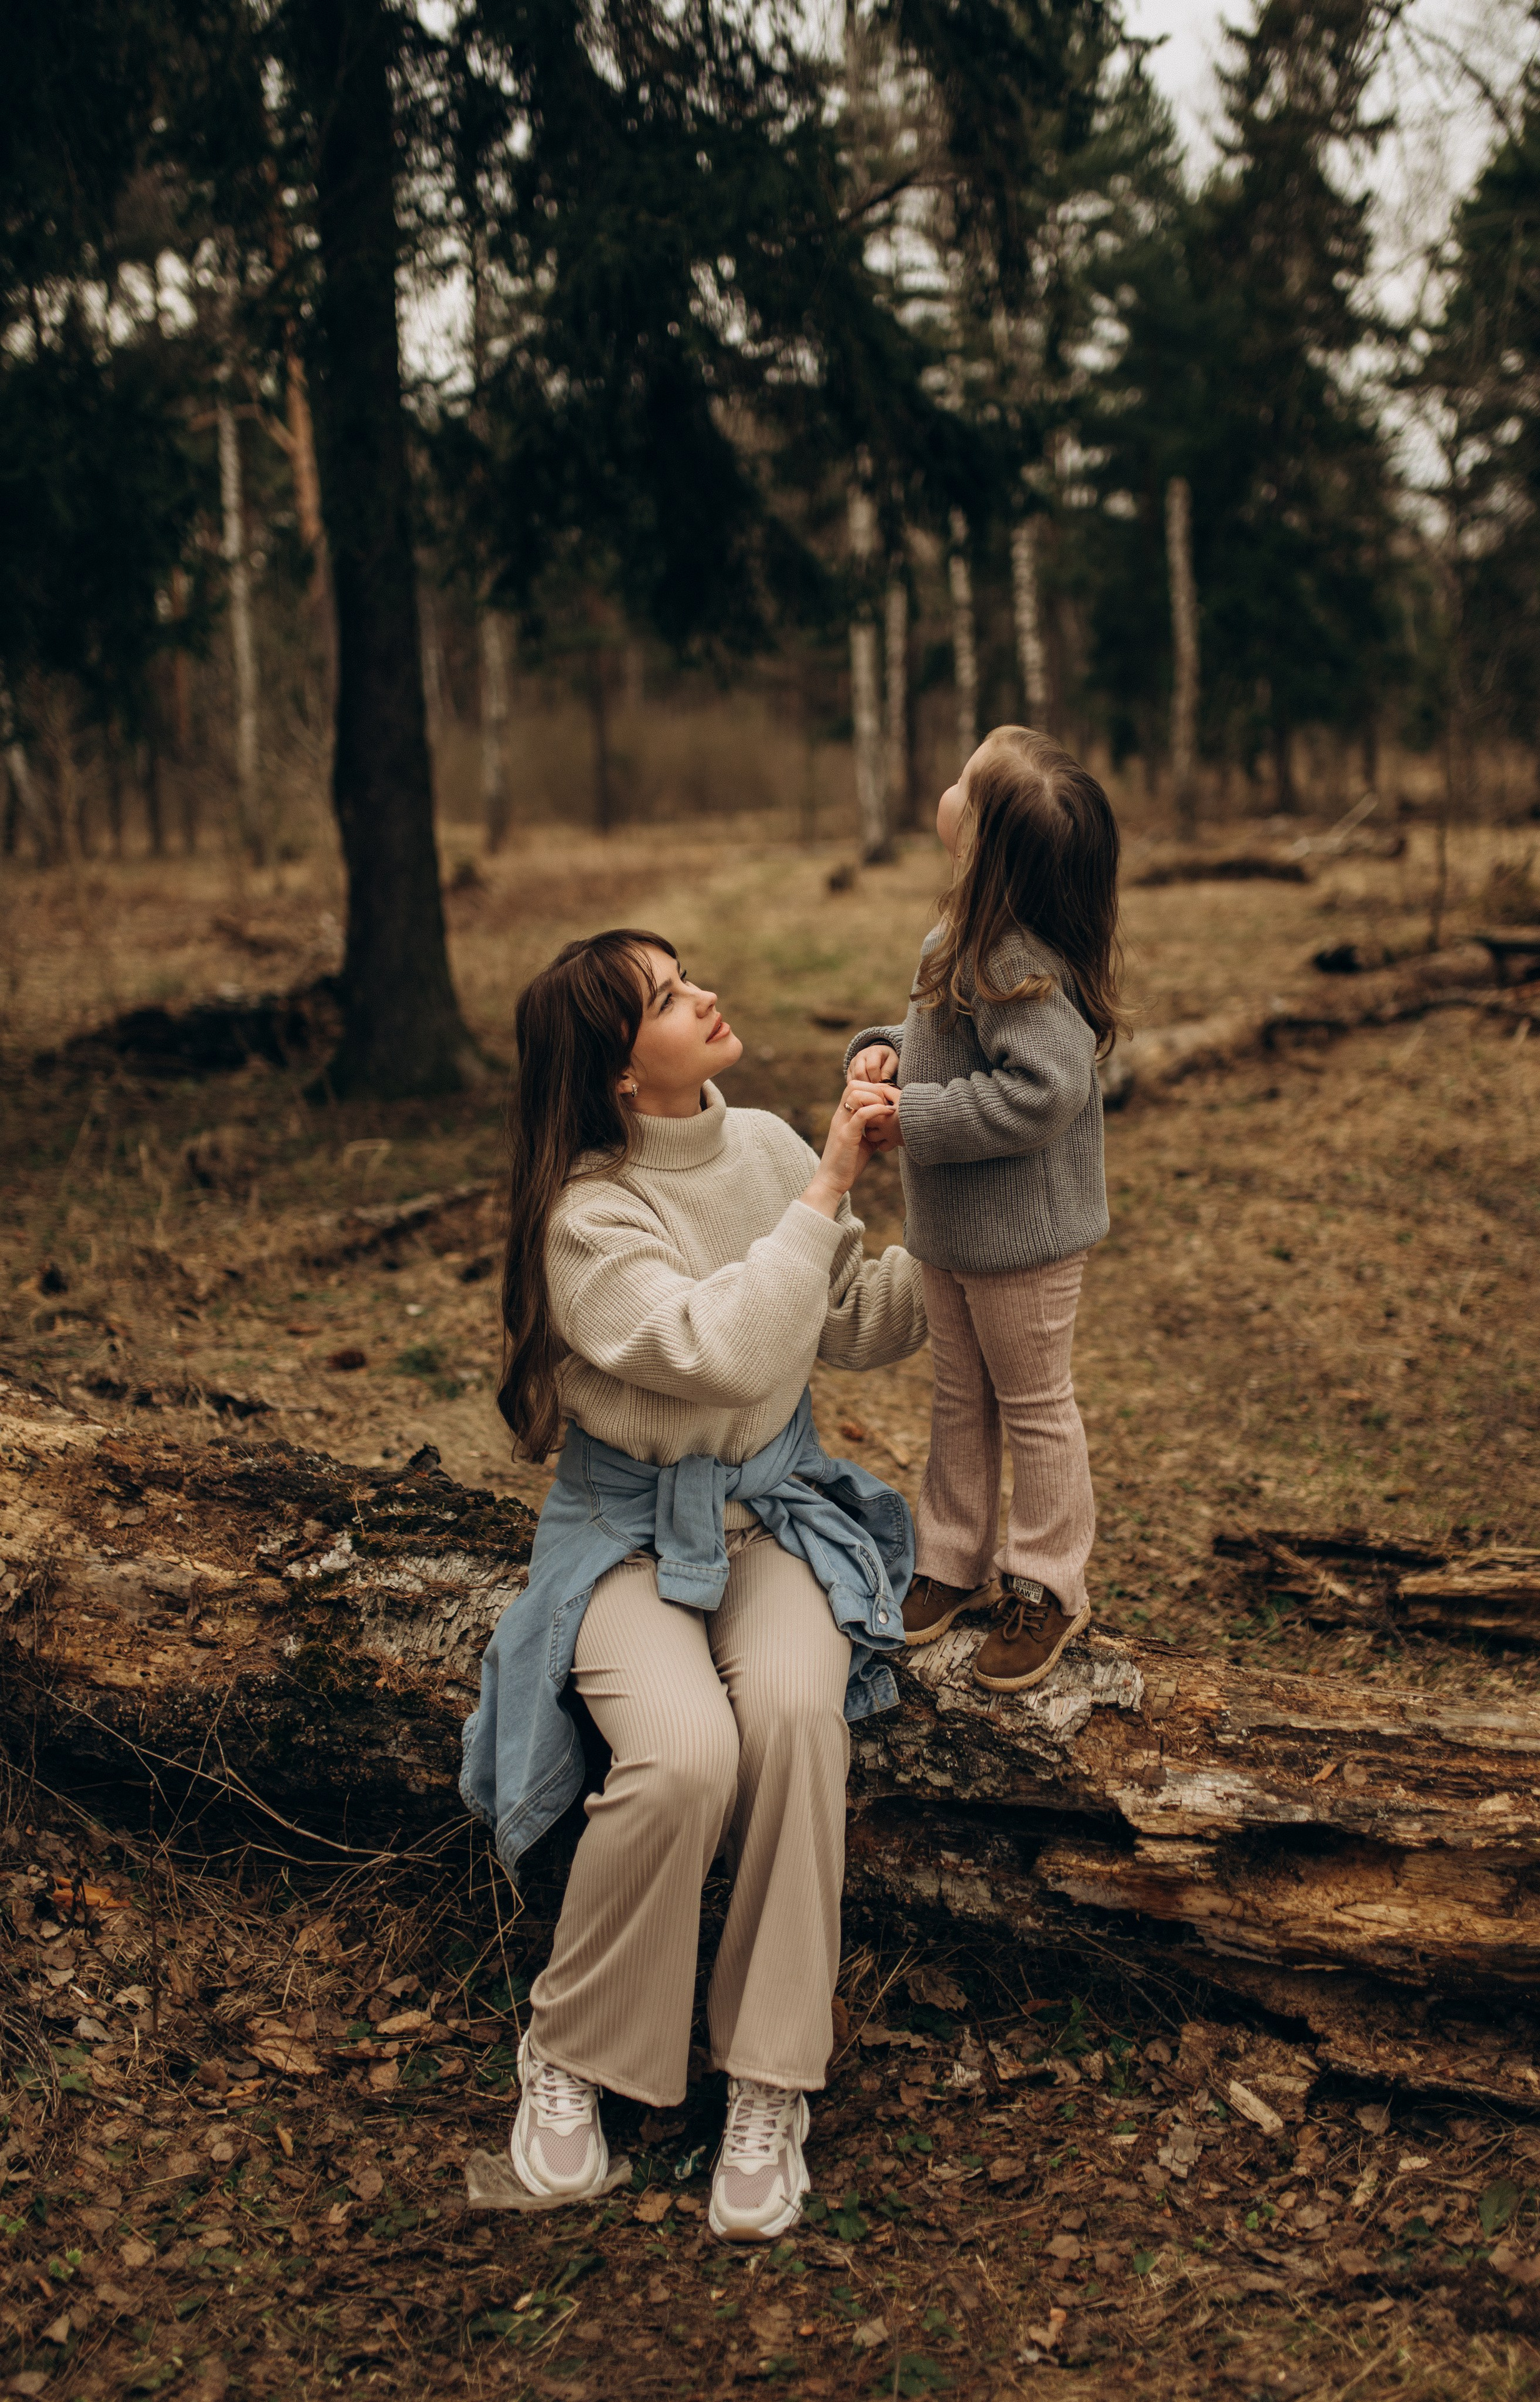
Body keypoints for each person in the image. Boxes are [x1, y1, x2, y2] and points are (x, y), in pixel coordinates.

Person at [461, 929, 923, 2242]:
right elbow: (720, 1348)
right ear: (616, 1070)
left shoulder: (768, 1146)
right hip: (624, 1537)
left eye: (684, 976)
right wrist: (832, 1178)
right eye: (667, 998)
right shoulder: (588, 1216)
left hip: (771, 1514)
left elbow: (847, 1317)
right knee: (681, 1755)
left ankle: (769, 2082)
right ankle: (572, 2047)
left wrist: (978, 1224)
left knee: (792, 1720)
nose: (705, 996)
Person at [841, 725, 1122, 1692]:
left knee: (1034, 1405)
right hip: (954, 1234)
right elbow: (943, 1047)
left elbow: (1045, 1091)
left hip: (1025, 1243)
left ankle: (1049, 1582)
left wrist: (913, 1119)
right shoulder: (960, 939)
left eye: (964, 780)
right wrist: (881, 1052)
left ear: (983, 843)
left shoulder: (1018, 963)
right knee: (960, 1398)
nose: (946, 783)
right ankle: (951, 1560)